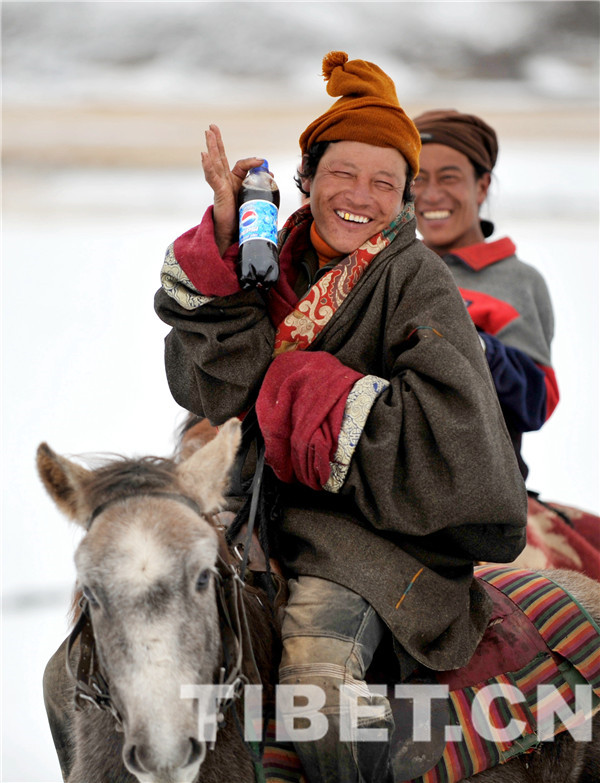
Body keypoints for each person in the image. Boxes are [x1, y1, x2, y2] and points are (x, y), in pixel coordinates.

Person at [155, 52, 527, 782]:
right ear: (306, 178)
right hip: (254, 516)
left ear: (405, 199)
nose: (361, 196)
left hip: (375, 543)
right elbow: (216, 392)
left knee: (319, 699)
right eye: (342, 174)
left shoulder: (416, 280)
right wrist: (229, 250)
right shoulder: (278, 260)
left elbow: (456, 442)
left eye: (385, 182)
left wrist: (308, 392)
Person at [411, 109, 559, 480]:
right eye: (418, 179)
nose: (431, 195)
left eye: (449, 177)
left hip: (482, 490)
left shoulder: (518, 281)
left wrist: (475, 344)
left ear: (481, 186)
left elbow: (536, 403)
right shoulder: (395, 269)